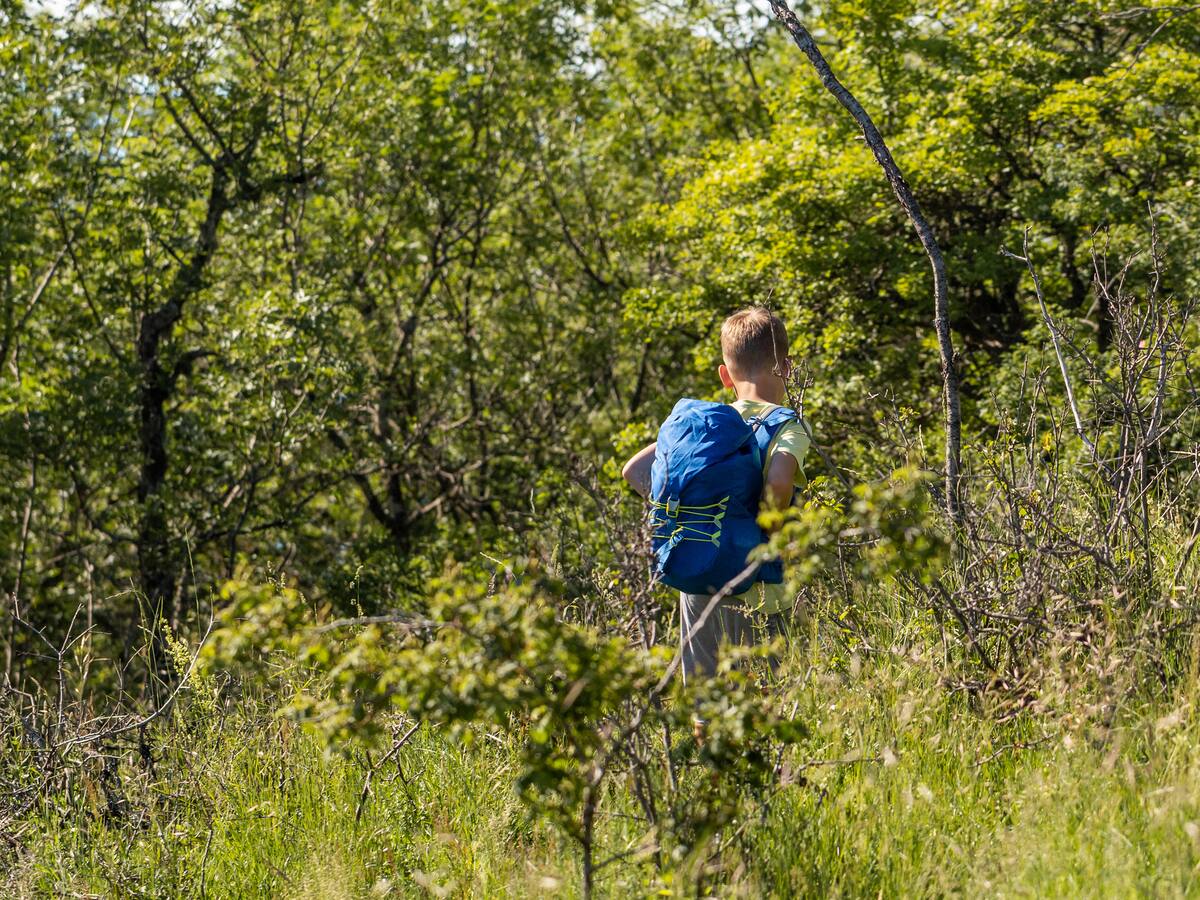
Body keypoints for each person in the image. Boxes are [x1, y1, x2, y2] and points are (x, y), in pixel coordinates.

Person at [621, 306, 810, 681]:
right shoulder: (787, 425)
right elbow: (778, 481)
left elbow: (634, 471)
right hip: (757, 586)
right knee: (767, 694)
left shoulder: (703, 429)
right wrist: (766, 534)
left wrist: (686, 513)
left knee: (706, 699)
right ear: (786, 367)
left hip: (698, 572)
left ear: (725, 375)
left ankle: (703, 742)